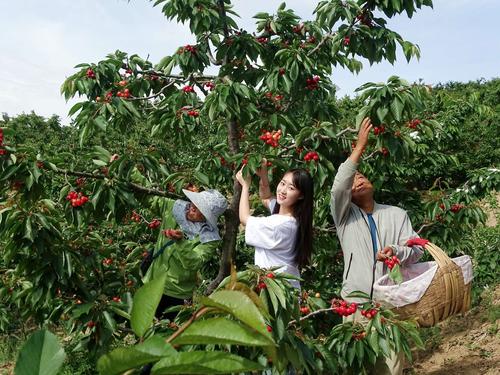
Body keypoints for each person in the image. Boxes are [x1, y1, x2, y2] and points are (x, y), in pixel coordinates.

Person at [330, 117, 424, 375]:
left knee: (391, 367)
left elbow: (416, 249)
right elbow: (338, 187)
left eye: (361, 176)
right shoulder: (344, 216)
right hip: (355, 303)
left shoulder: (397, 214)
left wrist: (397, 251)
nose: (357, 179)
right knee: (358, 366)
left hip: (390, 302)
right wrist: (359, 148)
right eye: (353, 179)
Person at [142, 188, 228, 318]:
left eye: (201, 208)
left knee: (167, 332)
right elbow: (146, 194)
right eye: (196, 202)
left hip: (175, 294)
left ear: (207, 216)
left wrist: (181, 242)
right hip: (151, 282)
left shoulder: (209, 238)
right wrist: (130, 171)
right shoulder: (174, 208)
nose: (193, 207)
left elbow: (193, 263)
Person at [235, 160, 314, 289]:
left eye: (291, 188)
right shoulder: (293, 218)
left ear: (301, 196)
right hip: (284, 289)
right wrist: (263, 175)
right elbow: (265, 197)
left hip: (278, 291)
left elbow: (244, 219)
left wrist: (245, 186)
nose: (283, 190)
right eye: (282, 183)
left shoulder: (279, 225)